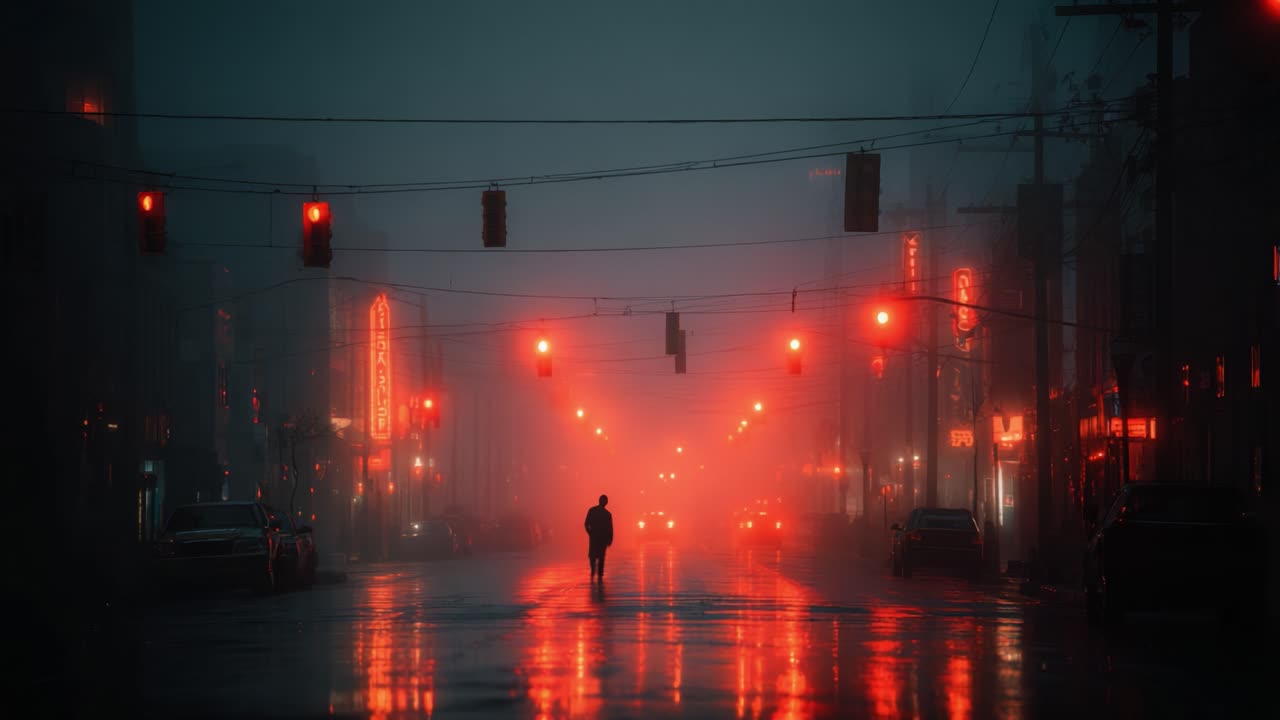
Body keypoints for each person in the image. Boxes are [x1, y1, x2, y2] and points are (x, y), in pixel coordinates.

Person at [583, 494, 613, 581]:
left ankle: (594, 570)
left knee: (593, 554)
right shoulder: (607, 514)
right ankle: (599, 572)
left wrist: (590, 533)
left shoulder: (592, 511)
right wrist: (610, 539)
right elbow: (610, 528)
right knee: (601, 556)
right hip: (601, 538)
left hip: (595, 537)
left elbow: (586, 524)